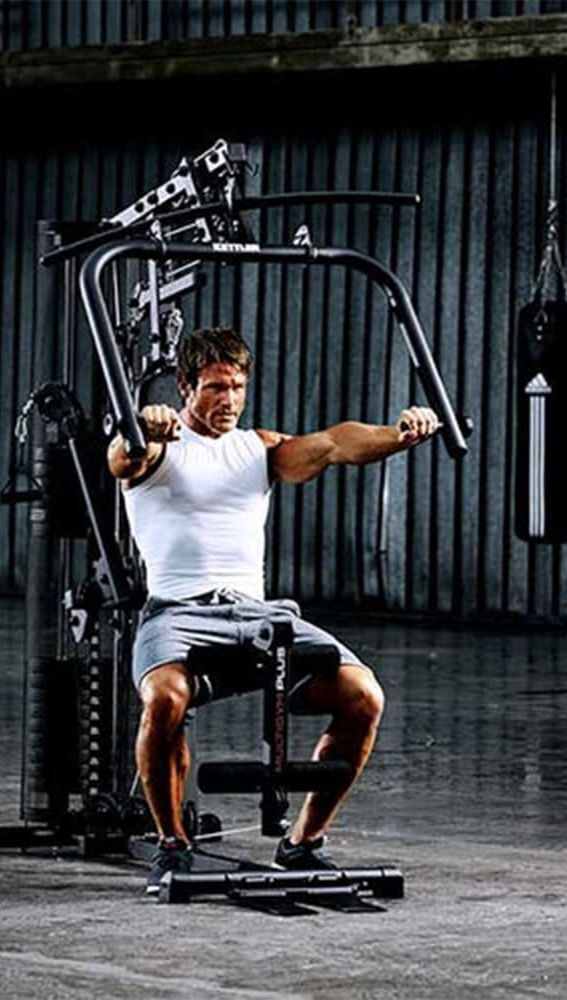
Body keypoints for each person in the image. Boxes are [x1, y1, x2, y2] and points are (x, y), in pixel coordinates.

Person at [107, 325, 439, 893]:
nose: (229, 399)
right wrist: (140, 426)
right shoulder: (158, 448)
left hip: (257, 616)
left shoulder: (257, 449)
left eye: (237, 387)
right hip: (177, 612)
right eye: (215, 387)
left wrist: (400, 435)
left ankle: (303, 842)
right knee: (164, 698)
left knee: (364, 697)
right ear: (185, 386)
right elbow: (122, 459)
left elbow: (336, 444)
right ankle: (172, 845)